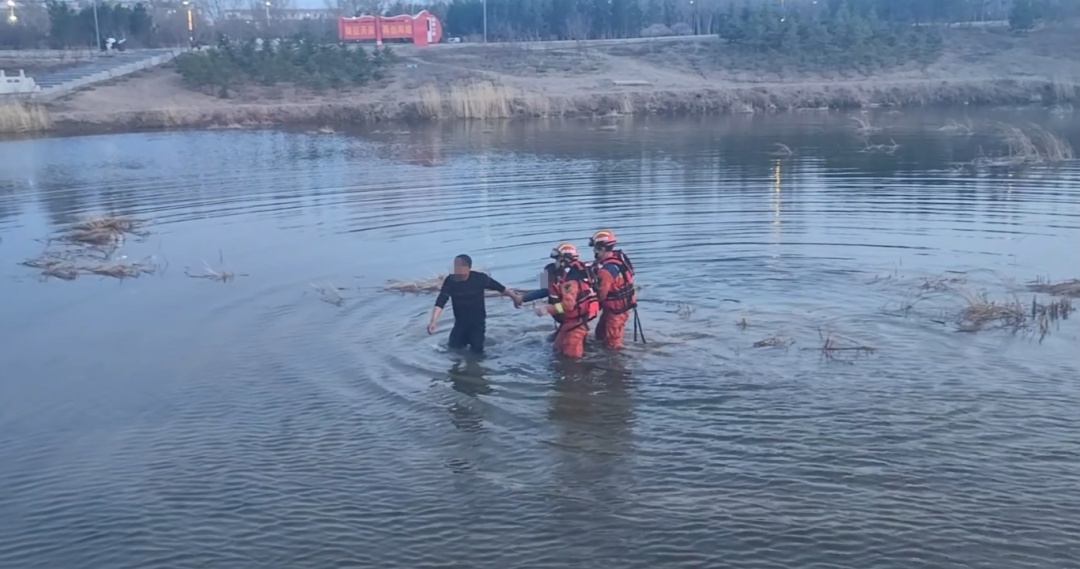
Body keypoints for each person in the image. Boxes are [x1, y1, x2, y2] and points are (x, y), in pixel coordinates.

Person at [428, 254, 522, 354]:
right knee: (453, 349)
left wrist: (514, 297)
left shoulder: (479, 278)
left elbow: (500, 288)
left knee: (477, 353)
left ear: (468, 268)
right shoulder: (451, 281)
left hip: (477, 323)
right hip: (460, 323)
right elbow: (441, 301)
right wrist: (433, 321)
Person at [534, 243, 599, 358]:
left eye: (557, 260)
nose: (556, 264)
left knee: (572, 361)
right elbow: (544, 290)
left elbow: (568, 305)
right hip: (571, 322)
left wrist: (547, 310)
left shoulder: (570, 281)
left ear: (564, 260)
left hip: (576, 324)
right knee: (557, 348)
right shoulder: (567, 273)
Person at [590, 229, 637, 350]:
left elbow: (601, 296)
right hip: (618, 306)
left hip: (616, 310)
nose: (593, 251)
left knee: (612, 345)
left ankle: (616, 364)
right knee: (600, 334)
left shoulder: (606, 271)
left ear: (602, 249)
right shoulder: (618, 258)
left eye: (595, 248)